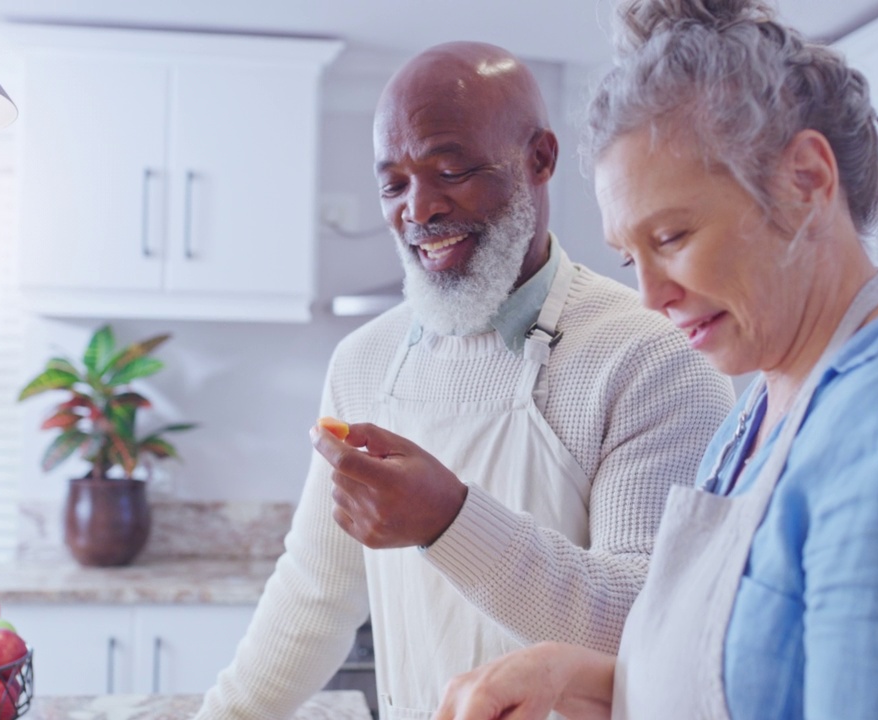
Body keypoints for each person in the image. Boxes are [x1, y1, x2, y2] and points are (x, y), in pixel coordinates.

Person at [435, 1, 878, 719]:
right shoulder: (762, 417)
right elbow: (752, 686)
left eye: (671, 236)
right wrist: (578, 681)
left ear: (804, 181)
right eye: (628, 258)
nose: (650, 297)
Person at [194, 41, 735, 719]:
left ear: (541, 159)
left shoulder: (650, 354)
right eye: (394, 184)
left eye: (450, 169)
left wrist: (448, 520)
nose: (419, 211)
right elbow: (314, 592)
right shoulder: (364, 361)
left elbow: (647, 626)